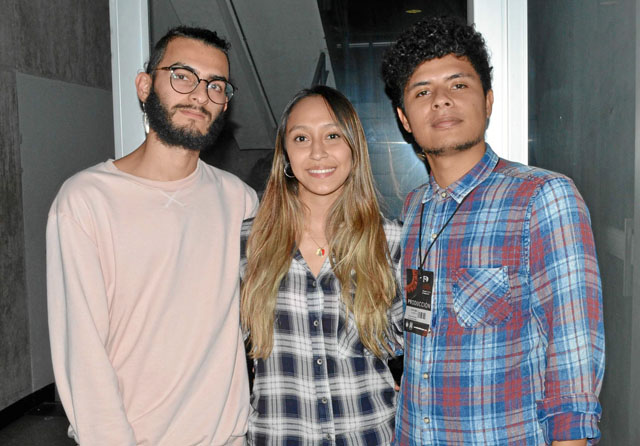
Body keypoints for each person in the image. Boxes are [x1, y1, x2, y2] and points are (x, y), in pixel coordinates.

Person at [381, 16, 605, 446]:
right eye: (422, 92)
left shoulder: (543, 198)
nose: (441, 101)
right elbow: (418, 327)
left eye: (458, 85)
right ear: (404, 118)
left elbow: (574, 352)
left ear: (488, 101)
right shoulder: (414, 209)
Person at [47, 26, 257, 445]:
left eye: (216, 85)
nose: (200, 95)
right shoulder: (86, 201)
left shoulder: (238, 200)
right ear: (145, 85)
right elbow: (82, 355)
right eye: (182, 75)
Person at [240, 85, 403, 445]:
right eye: (301, 138)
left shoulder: (391, 241)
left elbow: (414, 345)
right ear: (284, 154)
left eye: (332, 135)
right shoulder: (247, 245)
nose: (318, 152)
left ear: (353, 148)